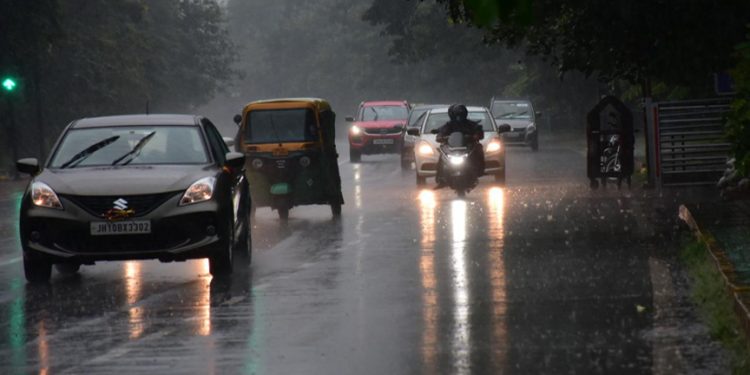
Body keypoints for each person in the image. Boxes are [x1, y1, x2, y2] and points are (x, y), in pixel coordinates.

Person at [434, 104, 485, 189]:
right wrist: (441, 136)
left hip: (467, 147)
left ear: (465, 114)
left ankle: (479, 170)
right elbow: (442, 131)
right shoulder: (449, 125)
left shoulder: (470, 124)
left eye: (461, 115)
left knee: (479, 147)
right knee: (442, 153)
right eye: (457, 115)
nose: (459, 117)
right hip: (453, 148)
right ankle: (440, 177)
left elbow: (478, 130)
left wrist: (476, 135)